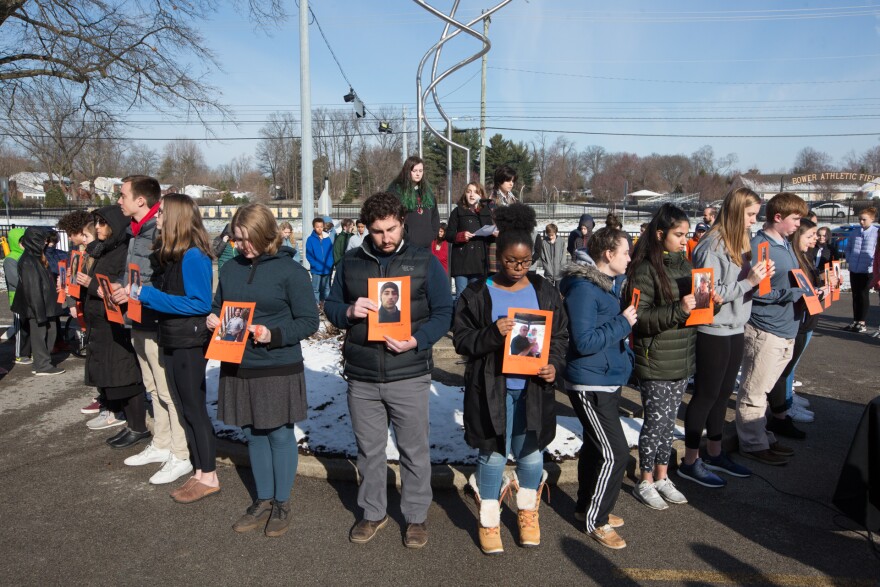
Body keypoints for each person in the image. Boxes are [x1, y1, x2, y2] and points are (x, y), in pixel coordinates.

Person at [324, 191, 453, 549]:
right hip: (363, 376)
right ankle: (373, 512)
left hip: (408, 373)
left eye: (392, 229)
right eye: (378, 231)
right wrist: (349, 312)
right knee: (370, 451)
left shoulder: (425, 261)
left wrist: (418, 339)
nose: (386, 238)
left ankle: (415, 517)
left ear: (402, 223)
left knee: (414, 450)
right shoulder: (351, 262)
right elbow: (332, 306)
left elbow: (445, 312)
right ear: (367, 228)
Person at [452, 203, 568, 554]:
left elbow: (560, 336)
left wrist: (554, 367)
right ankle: (488, 519)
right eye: (510, 262)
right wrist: (491, 333)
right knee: (493, 456)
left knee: (531, 455)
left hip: (532, 388)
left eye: (524, 261)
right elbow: (461, 340)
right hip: (491, 389)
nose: (518, 268)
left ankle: (527, 512)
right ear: (496, 257)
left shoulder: (544, 291)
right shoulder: (476, 294)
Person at [209, 203, 319, 537]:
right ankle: (263, 498)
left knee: (279, 432)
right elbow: (219, 307)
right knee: (252, 431)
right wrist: (212, 320)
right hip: (237, 361)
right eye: (237, 239)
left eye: (247, 238)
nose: (241, 245)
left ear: (265, 234)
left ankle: (282, 502)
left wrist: (275, 334)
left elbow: (309, 321)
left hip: (277, 363)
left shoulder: (291, 272)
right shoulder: (229, 270)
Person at [679, 188, 768, 488]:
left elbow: (737, 285)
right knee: (705, 395)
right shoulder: (711, 245)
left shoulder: (739, 241)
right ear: (735, 212)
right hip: (713, 330)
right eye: (751, 214)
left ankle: (715, 452)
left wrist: (758, 279)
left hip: (735, 327)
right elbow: (706, 297)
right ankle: (690, 461)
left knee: (722, 394)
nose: (755, 221)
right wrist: (748, 283)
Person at [111, 175, 193, 484]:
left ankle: (180, 452)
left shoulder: (158, 232)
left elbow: (160, 280)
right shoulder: (136, 231)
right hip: (137, 319)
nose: (119, 200)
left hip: (155, 321)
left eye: (123, 195)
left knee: (168, 390)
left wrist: (135, 292)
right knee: (152, 387)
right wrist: (121, 287)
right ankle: (161, 442)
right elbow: (133, 274)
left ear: (141, 200)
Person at [135, 194, 216, 503]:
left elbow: (199, 303)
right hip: (172, 337)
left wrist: (147, 296)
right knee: (184, 408)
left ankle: (208, 475)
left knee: (194, 409)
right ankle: (199, 472)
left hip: (189, 342)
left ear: (176, 218)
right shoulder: (174, 254)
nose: (156, 219)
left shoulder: (194, 255)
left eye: (161, 214)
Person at [559, 227, 636, 550]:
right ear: (608, 255)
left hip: (606, 379)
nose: (629, 258)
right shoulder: (584, 289)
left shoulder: (605, 286)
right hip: (589, 382)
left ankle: (585, 507)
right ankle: (597, 520)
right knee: (615, 451)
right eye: (625, 252)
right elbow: (585, 341)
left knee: (595, 447)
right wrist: (624, 322)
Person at [624, 204, 704, 511]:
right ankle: (644, 479)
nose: (685, 240)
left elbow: (695, 311)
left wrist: (713, 304)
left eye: (686, 234)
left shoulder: (684, 265)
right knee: (654, 423)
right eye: (678, 234)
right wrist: (679, 310)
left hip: (682, 357)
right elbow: (638, 318)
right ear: (660, 234)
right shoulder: (644, 269)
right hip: (656, 358)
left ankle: (662, 475)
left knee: (669, 423)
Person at [736, 192, 809, 466]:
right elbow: (755, 291)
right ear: (777, 218)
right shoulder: (760, 246)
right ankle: (753, 444)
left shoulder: (785, 244)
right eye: (794, 218)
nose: (798, 224)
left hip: (784, 327)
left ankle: (761, 435)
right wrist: (791, 294)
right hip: (765, 329)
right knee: (754, 390)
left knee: (763, 390)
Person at [78, 206, 149, 447]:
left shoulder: (123, 251)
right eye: (96, 222)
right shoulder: (104, 249)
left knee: (125, 377)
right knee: (112, 377)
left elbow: (118, 289)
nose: (97, 227)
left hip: (115, 324)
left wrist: (90, 284)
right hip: (100, 324)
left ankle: (138, 426)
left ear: (115, 226)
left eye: (102, 223)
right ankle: (130, 423)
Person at [766, 219, 828, 430]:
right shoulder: (793, 259)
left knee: (789, 367)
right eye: (809, 236)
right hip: (795, 321)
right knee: (783, 370)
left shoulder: (803, 258)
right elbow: (778, 291)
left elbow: (807, 287)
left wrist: (819, 292)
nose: (813, 241)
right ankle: (783, 407)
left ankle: (786, 403)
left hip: (806, 319)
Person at [11, 227, 66, 376]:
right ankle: (42, 365)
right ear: (35, 241)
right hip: (38, 305)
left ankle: (41, 363)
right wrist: (38, 311)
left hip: (45, 304)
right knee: (40, 335)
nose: (46, 242)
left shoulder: (35, 256)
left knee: (50, 332)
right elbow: (32, 288)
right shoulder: (29, 260)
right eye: (43, 240)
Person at [446, 182, 493, 300]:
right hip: (461, 260)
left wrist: (480, 208)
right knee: (461, 296)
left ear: (481, 195)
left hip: (479, 261)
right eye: (469, 191)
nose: (472, 195)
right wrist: (461, 236)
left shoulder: (486, 212)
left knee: (476, 297)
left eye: (476, 192)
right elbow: (449, 235)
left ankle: (473, 319)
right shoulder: (457, 211)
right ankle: (458, 318)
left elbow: (489, 232)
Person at [387, 155, 438, 249]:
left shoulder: (427, 192)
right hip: (406, 245)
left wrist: (433, 233)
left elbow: (435, 215)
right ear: (407, 171)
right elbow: (391, 216)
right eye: (414, 171)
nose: (418, 174)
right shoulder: (396, 191)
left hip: (426, 245)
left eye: (420, 171)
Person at [843, 207, 877, 333]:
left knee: (863, 295)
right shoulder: (855, 232)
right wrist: (849, 259)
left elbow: (876, 251)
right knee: (855, 295)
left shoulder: (876, 233)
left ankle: (862, 322)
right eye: (860, 219)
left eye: (864, 219)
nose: (861, 222)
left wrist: (873, 266)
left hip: (867, 270)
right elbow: (849, 248)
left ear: (872, 219)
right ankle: (856, 320)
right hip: (854, 269)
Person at [3, 227, 32, 366]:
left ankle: (27, 351)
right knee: (20, 327)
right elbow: (14, 280)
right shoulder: (10, 258)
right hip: (17, 297)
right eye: (22, 242)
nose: (24, 244)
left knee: (28, 326)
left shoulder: (27, 256)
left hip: (29, 295)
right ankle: (19, 354)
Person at [305, 217, 333, 309]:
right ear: (314, 227)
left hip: (326, 269)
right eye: (317, 227)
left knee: (326, 288)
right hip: (316, 270)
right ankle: (316, 304)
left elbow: (330, 253)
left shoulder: (327, 239)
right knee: (315, 288)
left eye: (321, 226)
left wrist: (329, 264)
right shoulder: (310, 239)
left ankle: (325, 304)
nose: (319, 228)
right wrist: (315, 265)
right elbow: (309, 255)